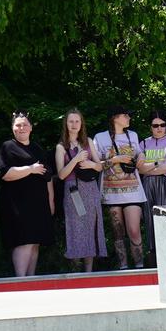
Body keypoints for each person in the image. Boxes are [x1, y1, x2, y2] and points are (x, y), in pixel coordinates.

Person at [0, 113, 55, 277]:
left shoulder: (37, 148)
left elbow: (48, 176)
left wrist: (51, 201)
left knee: (35, 242)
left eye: (25, 125)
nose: (21, 128)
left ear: (31, 127)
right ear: (12, 128)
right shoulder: (8, 147)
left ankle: (30, 280)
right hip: (16, 204)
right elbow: (5, 173)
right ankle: (20, 280)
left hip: (39, 203)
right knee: (24, 241)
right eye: (18, 125)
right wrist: (30, 169)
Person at [96, 107, 147, 269]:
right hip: (111, 193)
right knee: (117, 232)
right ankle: (123, 268)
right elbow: (97, 166)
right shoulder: (100, 137)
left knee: (134, 230)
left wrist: (142, 156)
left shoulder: (132, 135)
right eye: (125, 115)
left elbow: (139, 153)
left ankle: (140, 266)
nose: (129, 118)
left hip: (134, 192)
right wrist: (116, 159)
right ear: (114, 118)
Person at [55, 108, 105, 271]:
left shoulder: (88, 141)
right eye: (71, 121)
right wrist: (76, 159)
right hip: (73, 191)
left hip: (90, 189)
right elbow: (61, 175)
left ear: (81, 123)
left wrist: (91, 164)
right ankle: (75, 270)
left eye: (77, 121)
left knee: (90, 227)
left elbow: (99, 167)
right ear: (66, 124)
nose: (74, 124)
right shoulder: (61, 147)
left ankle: (89, 272)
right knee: (75, 228)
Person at [137, 109, 166, 255]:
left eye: (162, 125)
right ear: (150, 127)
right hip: (147, 186)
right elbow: (139, 169)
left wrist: (148, 168)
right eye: (155, 125)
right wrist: (157, 164)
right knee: (150, 222)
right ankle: (153, 256)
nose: (159, 128)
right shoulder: (143, 143)